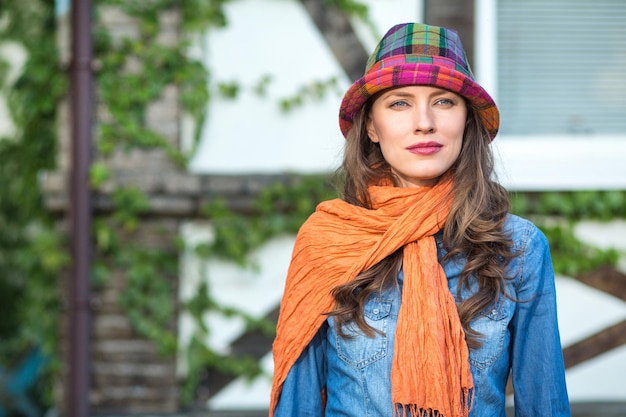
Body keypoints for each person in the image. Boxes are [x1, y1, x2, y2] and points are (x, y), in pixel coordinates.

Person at [269, 22, 570, 417]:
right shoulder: (328, 242)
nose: (424, 121)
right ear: (372, 127)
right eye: (399, 103)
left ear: (466, 120)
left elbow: (543, 404)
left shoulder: (518, 246)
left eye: (444, 101)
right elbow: (298, 406)